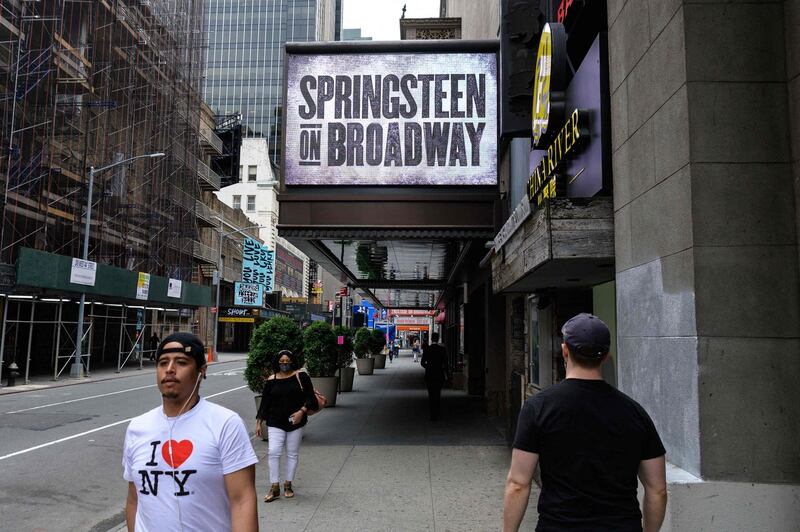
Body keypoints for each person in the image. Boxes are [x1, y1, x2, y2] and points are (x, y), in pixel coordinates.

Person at [503, 313, 667, 532]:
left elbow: (518, 484)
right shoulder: (635, 412)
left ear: (565, 350)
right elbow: (657, 490)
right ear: (607, 356)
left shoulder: (538, 408)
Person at [122, 332, 258, 532]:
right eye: (162, 362)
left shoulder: (225, 424)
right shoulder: (137, 427)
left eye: (181, 362)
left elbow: (242, 501)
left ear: (201, 370)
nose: (169, 370)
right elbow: (134, 500)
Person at [255, 349, 318, 503]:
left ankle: (288, 484)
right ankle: (274, 486)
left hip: (295, 422)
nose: (284, 364)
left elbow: (311, 399)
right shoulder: (272, 380)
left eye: (287, 361)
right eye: (281, 361)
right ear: (277, 363)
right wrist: (259, 422)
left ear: (292, 361)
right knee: (274, 451)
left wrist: (301, 412)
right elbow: (265, 403)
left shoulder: (301, 377)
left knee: (292, 453)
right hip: (275, 421)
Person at [420, 332, 448, 421]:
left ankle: (432, 415)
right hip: (439, 375)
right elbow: (445, 363)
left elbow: (422, 363)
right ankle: (438, 413)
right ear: (438, 338)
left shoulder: (427, 349)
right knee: (437, 394)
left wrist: (428, 368)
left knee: (431, 395)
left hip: (429, 375)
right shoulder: (442, 349)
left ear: (431, 339)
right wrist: (446, 373)